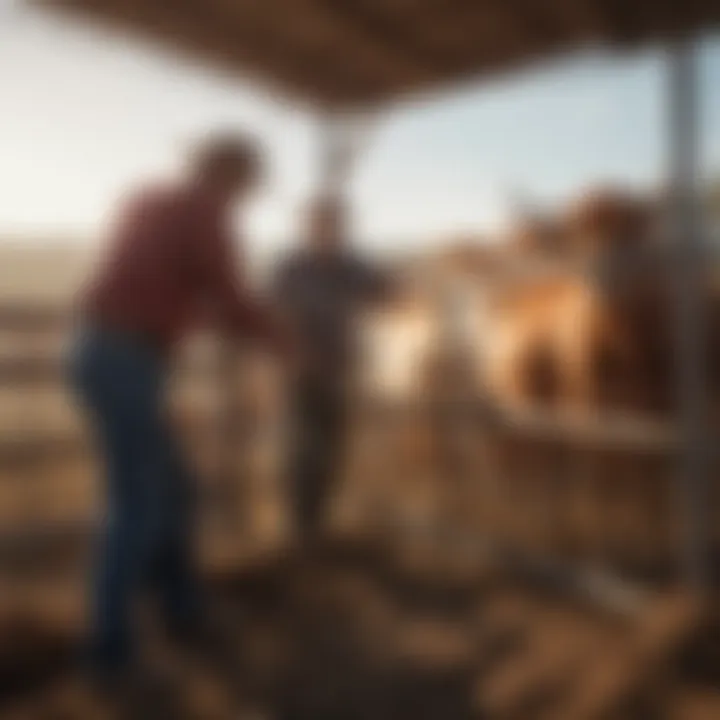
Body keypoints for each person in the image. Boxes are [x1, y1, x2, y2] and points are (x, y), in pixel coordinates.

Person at [68, 132, 290, 683]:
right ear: (231, 177)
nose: (246, 198)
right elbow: (228, 293)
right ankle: (110, 650)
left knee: (174, 489)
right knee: (137, 501)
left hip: (102, 353)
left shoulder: (149, 200)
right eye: (247, 185)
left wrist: (207, 316)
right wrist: (283, 343)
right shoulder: (204, 213)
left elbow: (171, 284)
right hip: (128, 360)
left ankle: (182, 609)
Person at [273, 195, 389, 548]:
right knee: (302, 447)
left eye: (335, 225)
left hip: (339, 369)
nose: (329, 231)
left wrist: (390, 288)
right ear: (308, 228)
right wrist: (295, 352)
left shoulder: (352, 267)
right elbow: (275, 313)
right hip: (301, 371)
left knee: (334, 445)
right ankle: (299, 525)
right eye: (321, 224)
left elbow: (385, 290)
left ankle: (318, 522)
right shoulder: (291, 268)